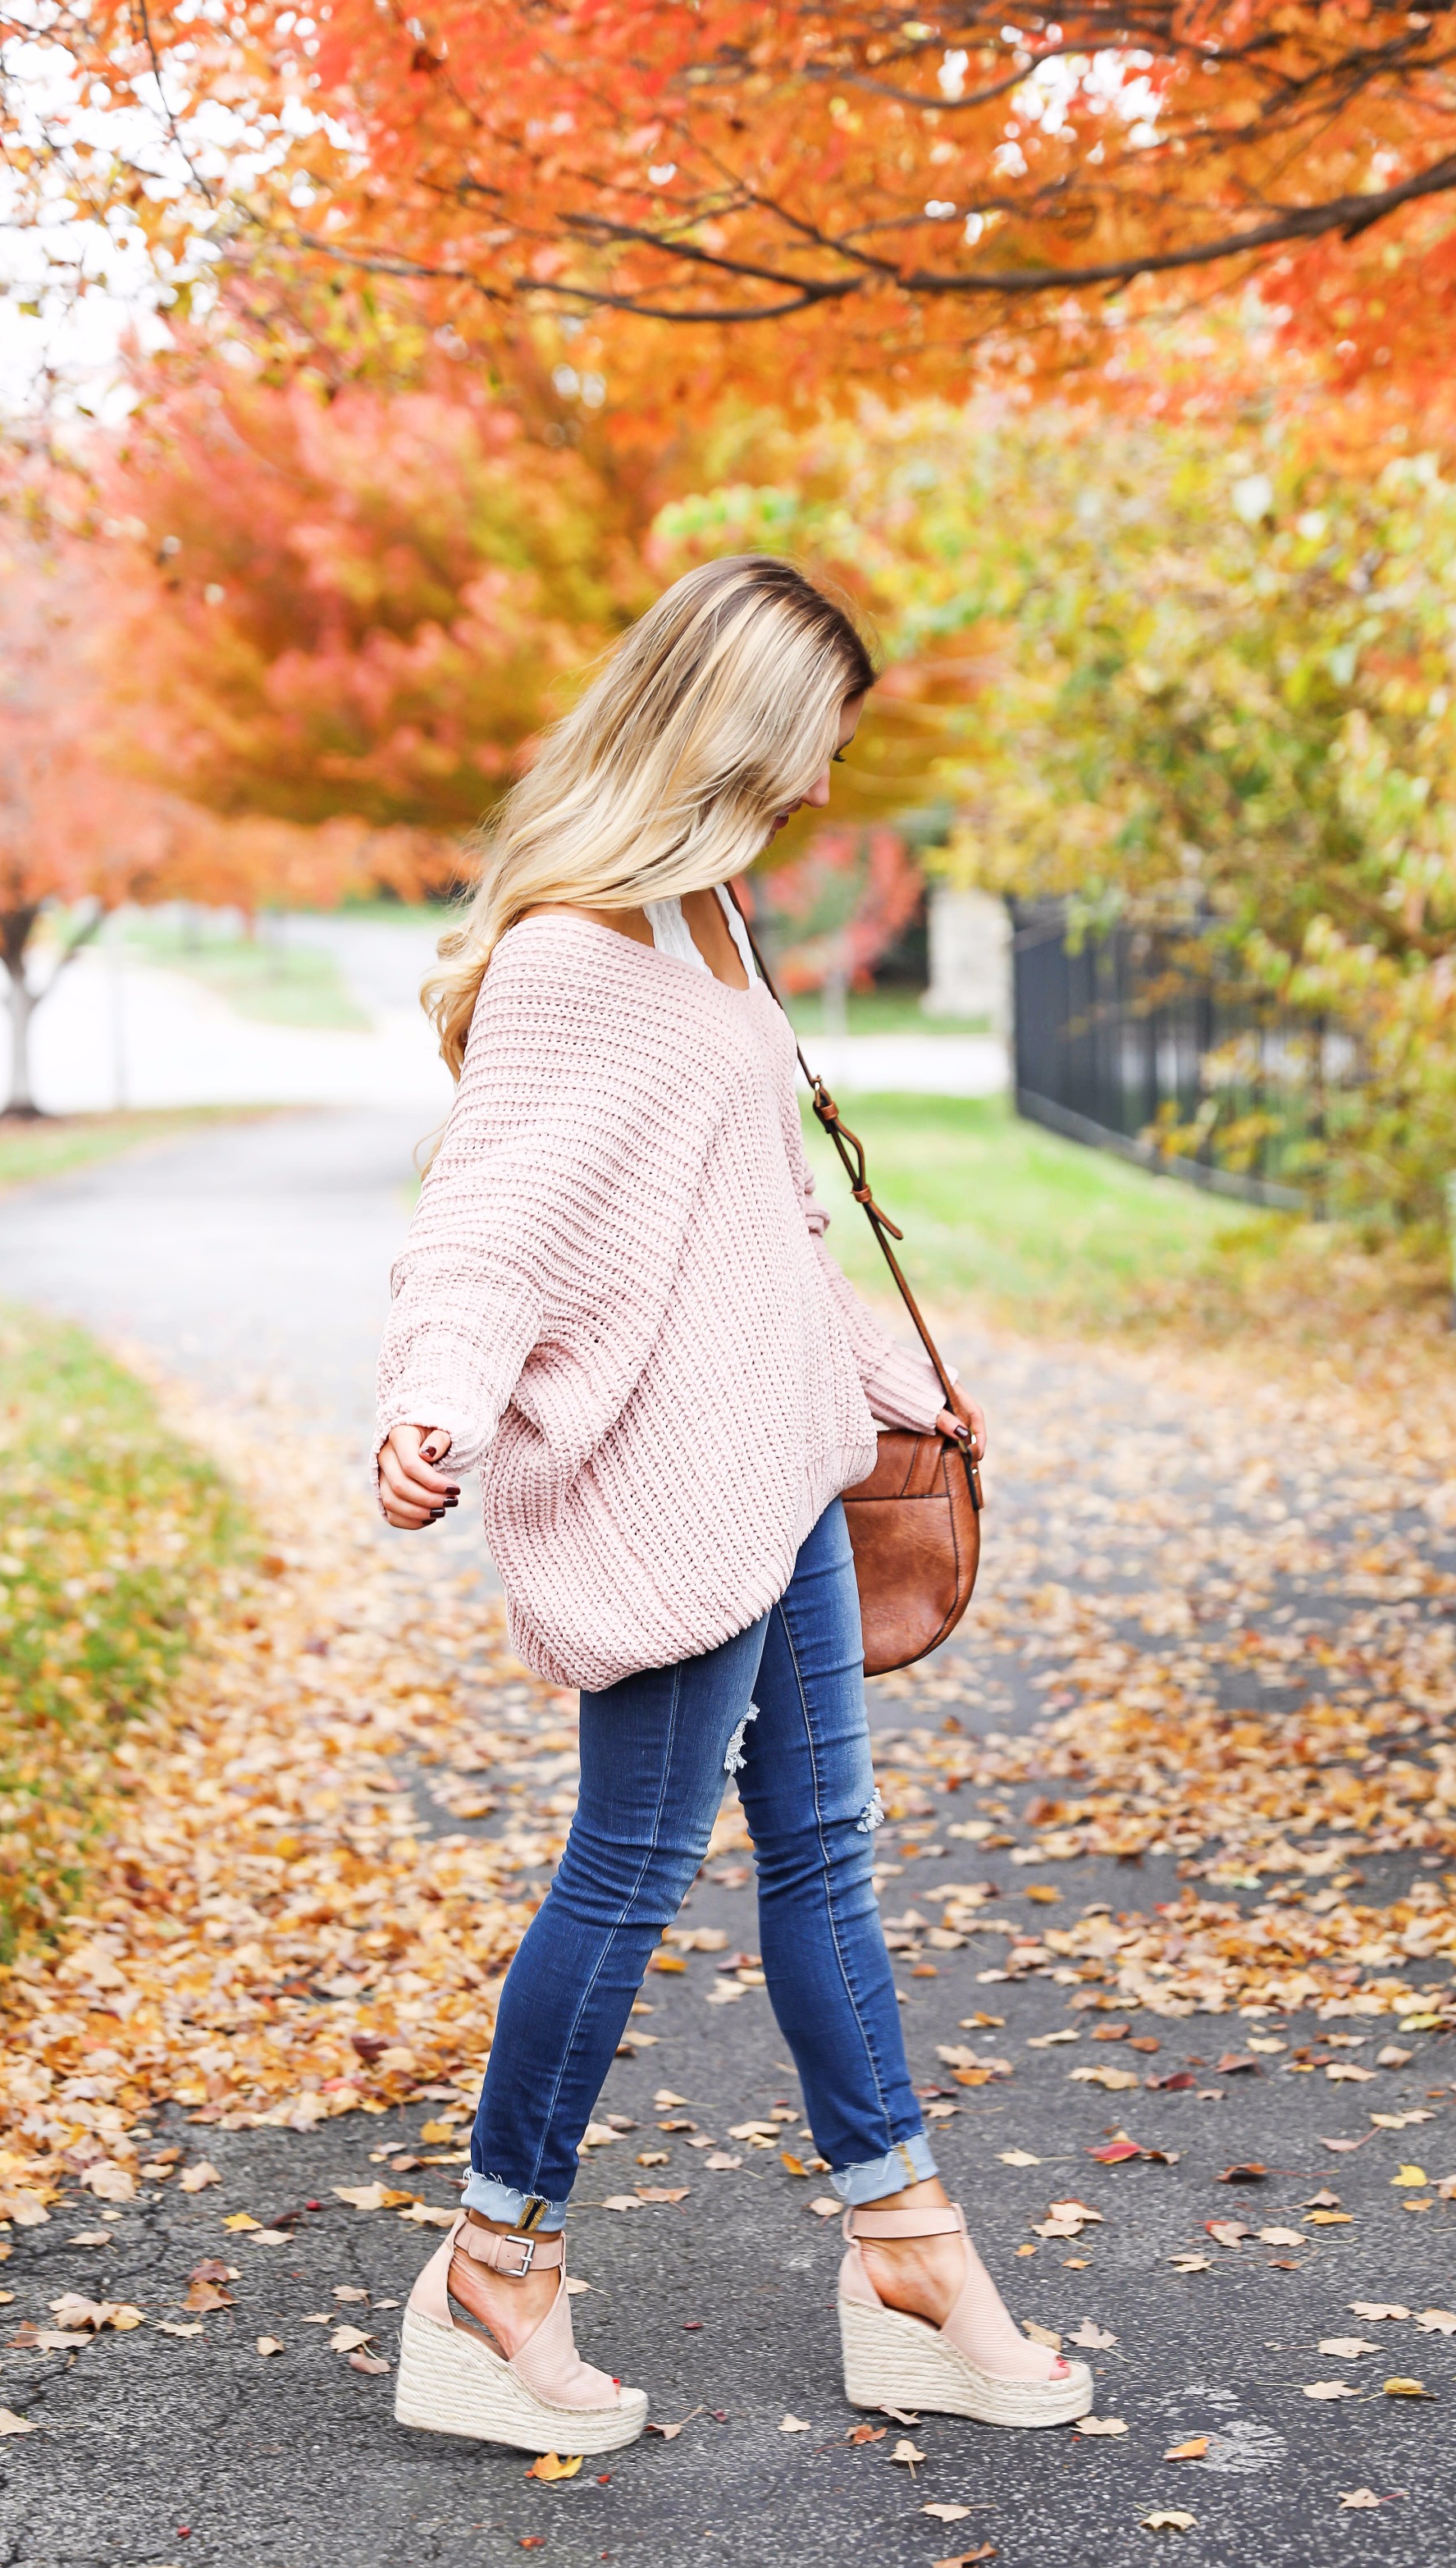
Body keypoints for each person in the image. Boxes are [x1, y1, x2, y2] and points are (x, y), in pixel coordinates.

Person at [372, 555, 1092, 2452]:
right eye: (811, 746)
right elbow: (490, 1219)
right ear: (732, 727)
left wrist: (891, 1391)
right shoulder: (570, 959)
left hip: (783, 1472)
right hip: (664, 1489)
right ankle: (492, 2269)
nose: (827, 787)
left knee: (824, 1857)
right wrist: (434, 1407)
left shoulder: (709, 928)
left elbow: (765, 1221)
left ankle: (908, 2251)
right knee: (623, 1872)